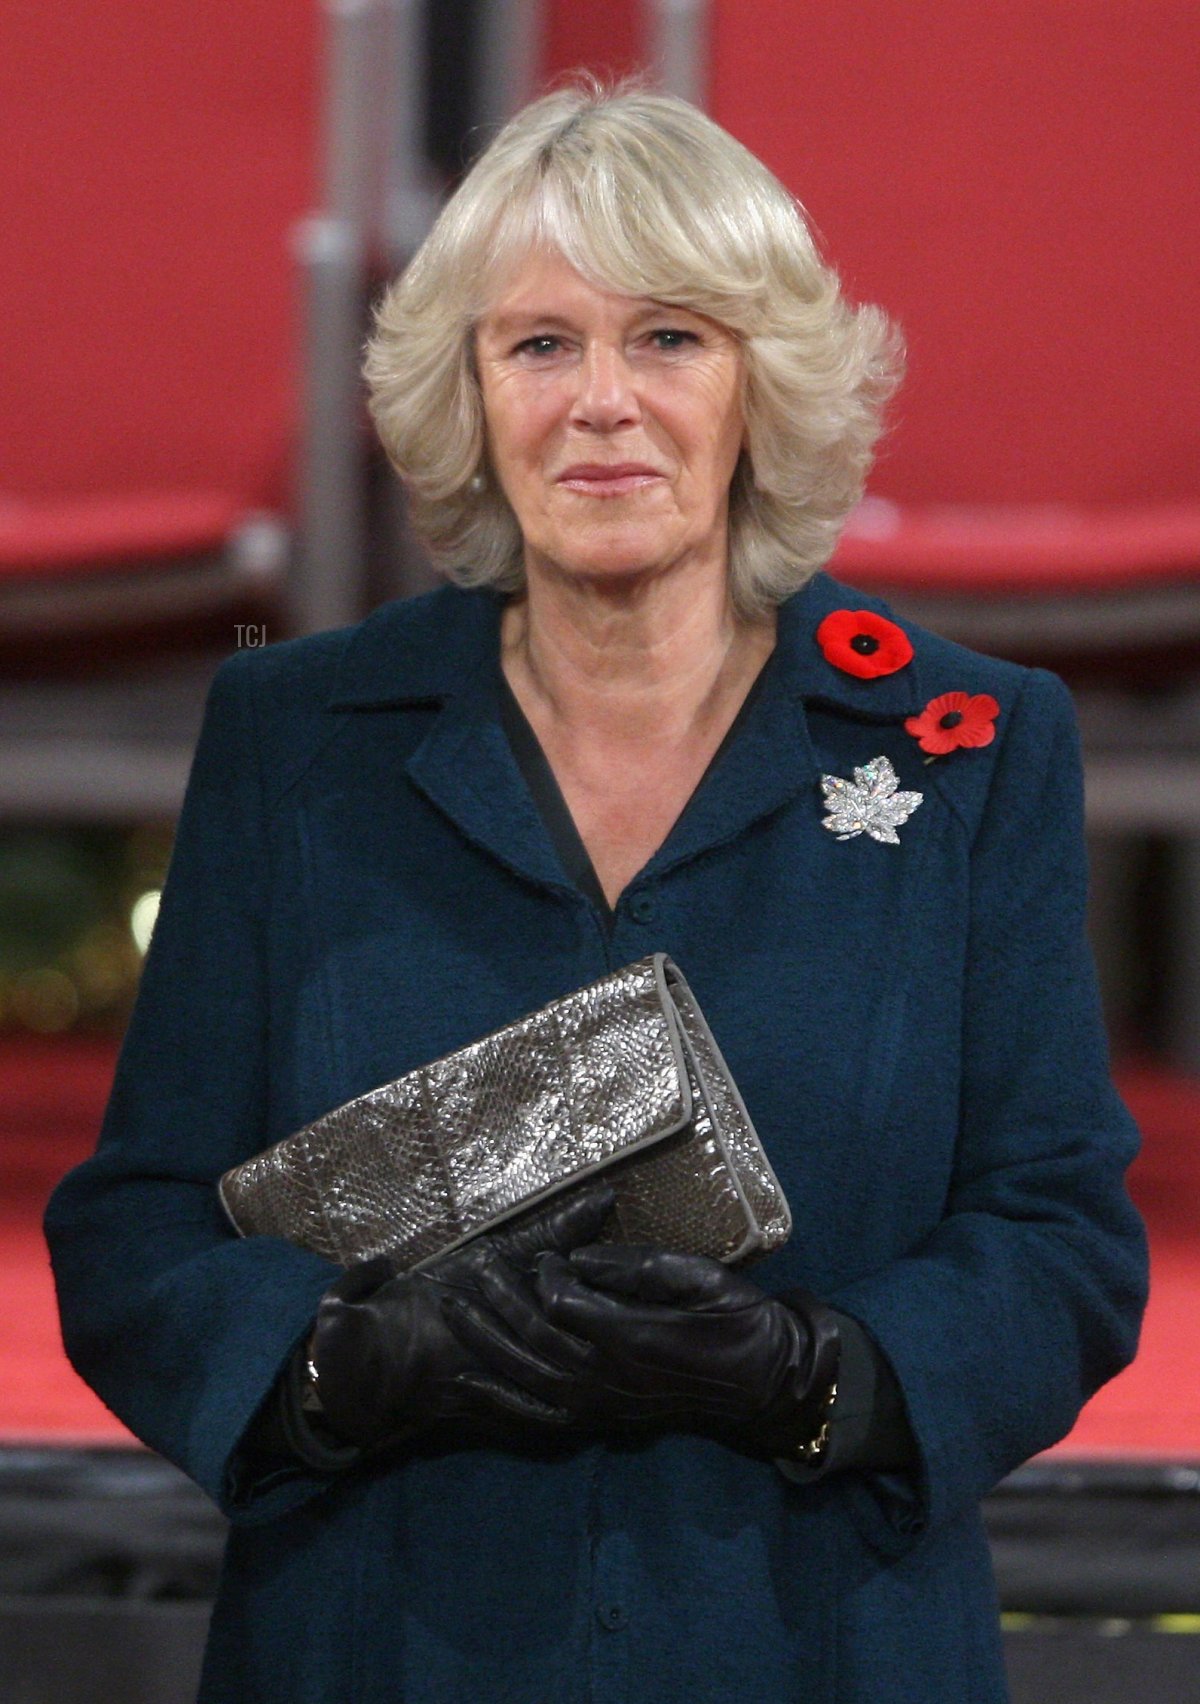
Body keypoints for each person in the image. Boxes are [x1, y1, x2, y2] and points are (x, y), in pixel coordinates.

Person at [46, 82, 1147, 1703]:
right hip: (380, 1642)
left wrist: (810, 1375)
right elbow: (137, 1232)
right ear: (469, 394)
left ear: (766, 383)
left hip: (818, 1641)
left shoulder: (965, 748)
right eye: (540, 345)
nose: (602, 403)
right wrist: (343, 1367)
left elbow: (1062, 1238)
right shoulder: (296, 740)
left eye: (672, 339)